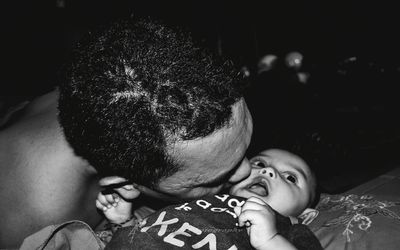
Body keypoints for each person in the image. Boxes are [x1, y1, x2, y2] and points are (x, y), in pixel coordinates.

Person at [0, 17, 254, 248]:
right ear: (126, 186)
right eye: (212, 180)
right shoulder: (31, 226)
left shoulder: (116, 84)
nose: (246, 171)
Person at [97, 149, 322, 250]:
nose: (269, 171)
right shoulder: (204, 197)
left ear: (305, 215)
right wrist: (123, 222)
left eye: (290, 177)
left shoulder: (290, 229)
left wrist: (270, 240)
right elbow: (150, 232)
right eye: (260, 163)